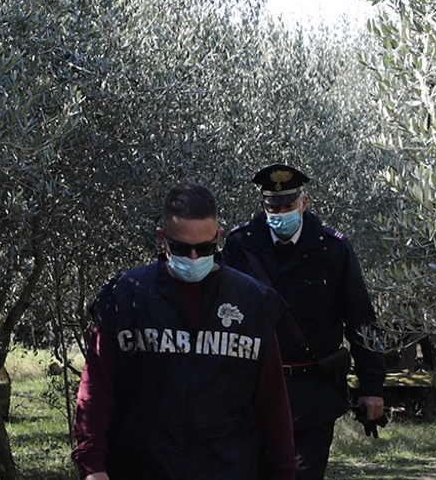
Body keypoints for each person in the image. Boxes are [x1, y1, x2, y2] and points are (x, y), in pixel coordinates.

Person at [72, 183, 297, 480]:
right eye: (181, 248)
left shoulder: (252, 303)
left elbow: (273, 402)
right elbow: (96, 389)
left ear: (219, 238)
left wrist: (284, 471)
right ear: (162, 239)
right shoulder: (126, 298)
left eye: (204, 248)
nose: (193, 258)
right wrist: (92, 466)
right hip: (140, 467)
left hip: (228, 469)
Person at [223, 163, 386, 480]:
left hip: (311, 392)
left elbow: (362, 321)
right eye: (273, 206)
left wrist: (372, 386)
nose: (280, 212)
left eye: (288, 205)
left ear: (304, 203)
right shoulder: (240, 245)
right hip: (251, 393)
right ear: (263, 206)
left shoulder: (332, 248)